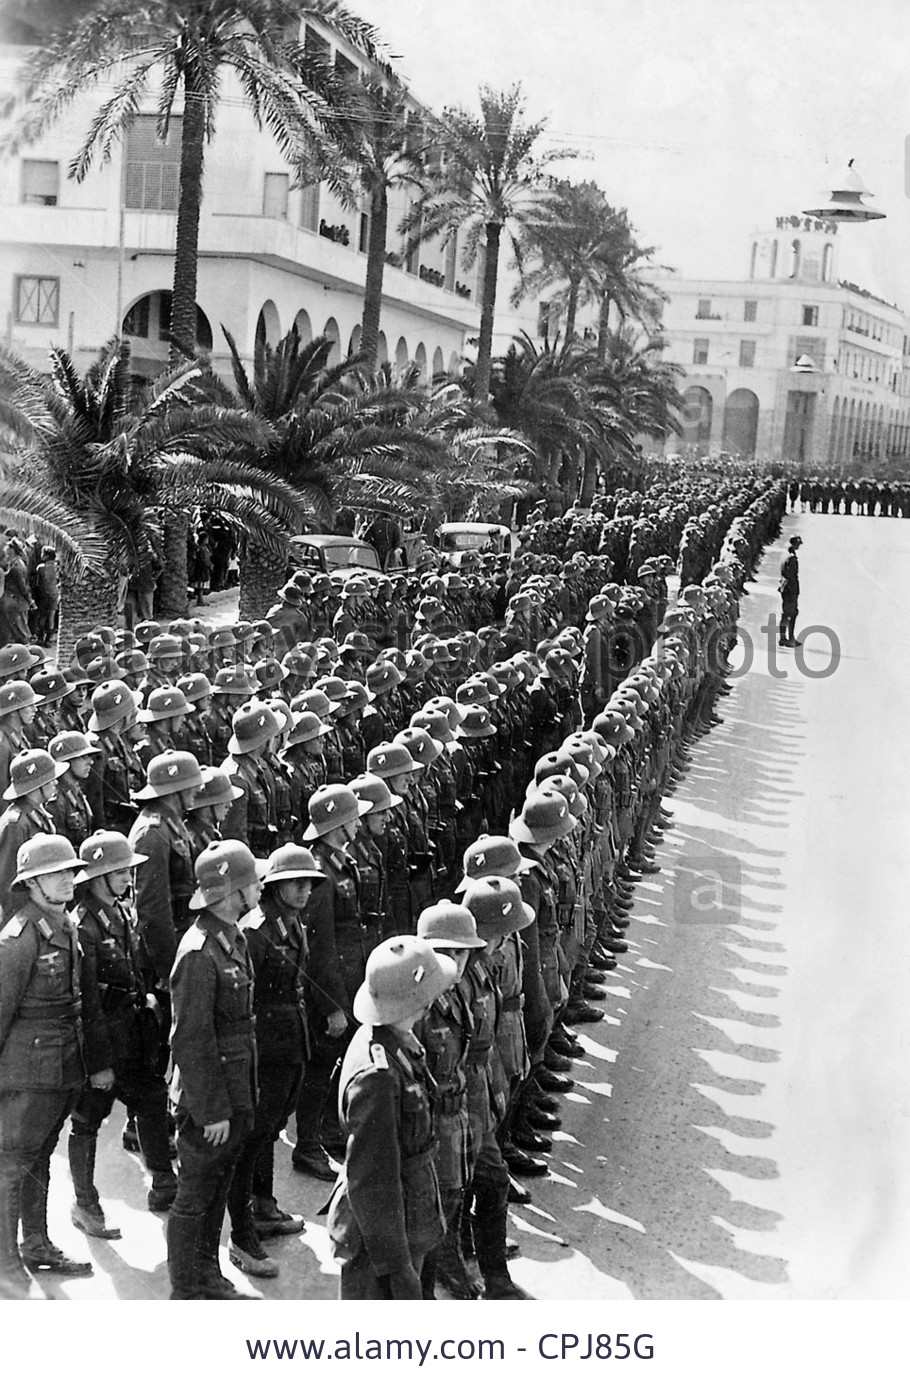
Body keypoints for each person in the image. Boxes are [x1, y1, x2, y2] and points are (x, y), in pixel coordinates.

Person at [326, 935, 456, 1299]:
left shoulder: (393, 1039)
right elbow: (372, 1178)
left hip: (412, 1214)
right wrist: (396, 1265)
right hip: (385, 1236)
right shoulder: (378, 1075)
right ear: (420, 1001)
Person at [68, 830, 178, 1233]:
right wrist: (98, 1063)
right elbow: (88, 1004)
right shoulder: (83, 926)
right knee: (88, 1120)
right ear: (100, 874)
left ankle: (164, 1183)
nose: (129, 876)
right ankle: (85, 1204)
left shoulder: (120, 912)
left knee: (151, 1099)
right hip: (103, 1042)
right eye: (121, 870)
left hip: (131, 1034)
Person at [0, 833, 95, 1296]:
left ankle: (36, 1244)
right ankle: (4, 1262)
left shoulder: (66, 924)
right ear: (33, 883)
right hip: (28, 1070)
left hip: (61, 1064)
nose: (68, 879)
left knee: (39, 1159)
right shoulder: (19, 938)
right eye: (57, 873)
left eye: (71, 871)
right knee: (12, 1165)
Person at [166, 839, 261, 1300]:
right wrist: (212, 1111)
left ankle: (208, 1273)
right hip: (211, 1099)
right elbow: (190, 1039)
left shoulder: (231, 937)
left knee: (218, 1187)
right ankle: (185, 1289)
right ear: (231, 893)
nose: (259, 888)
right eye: (252, 882)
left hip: (234, 1088)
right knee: (195, 1194)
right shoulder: (200, 951)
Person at [778, 534, 803, 647]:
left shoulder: (785, 555)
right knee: (791, 613)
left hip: (785, 586)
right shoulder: (791, 558)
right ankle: (788, 638)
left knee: (786, 613)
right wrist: (794, 590)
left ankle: (784, 638)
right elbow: (792, 575)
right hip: (790, 588)